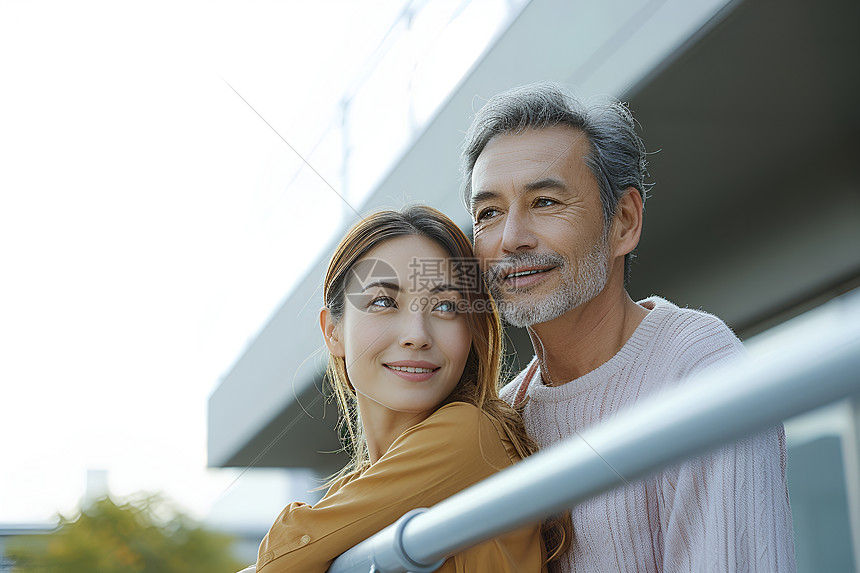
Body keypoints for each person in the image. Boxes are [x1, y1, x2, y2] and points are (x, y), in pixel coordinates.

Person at [460, 83, 796, 572]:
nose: (511, 238)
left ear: (623, 221)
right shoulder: (504, 417)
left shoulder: (698, 369)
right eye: (488, 213)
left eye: (546, 202)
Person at [250, 205, 569, 573]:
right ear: (333, 332)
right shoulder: (352, 494)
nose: (417, 335)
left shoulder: (471, 434)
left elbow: (286, 555)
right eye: (384, 302)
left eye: (446, 306)